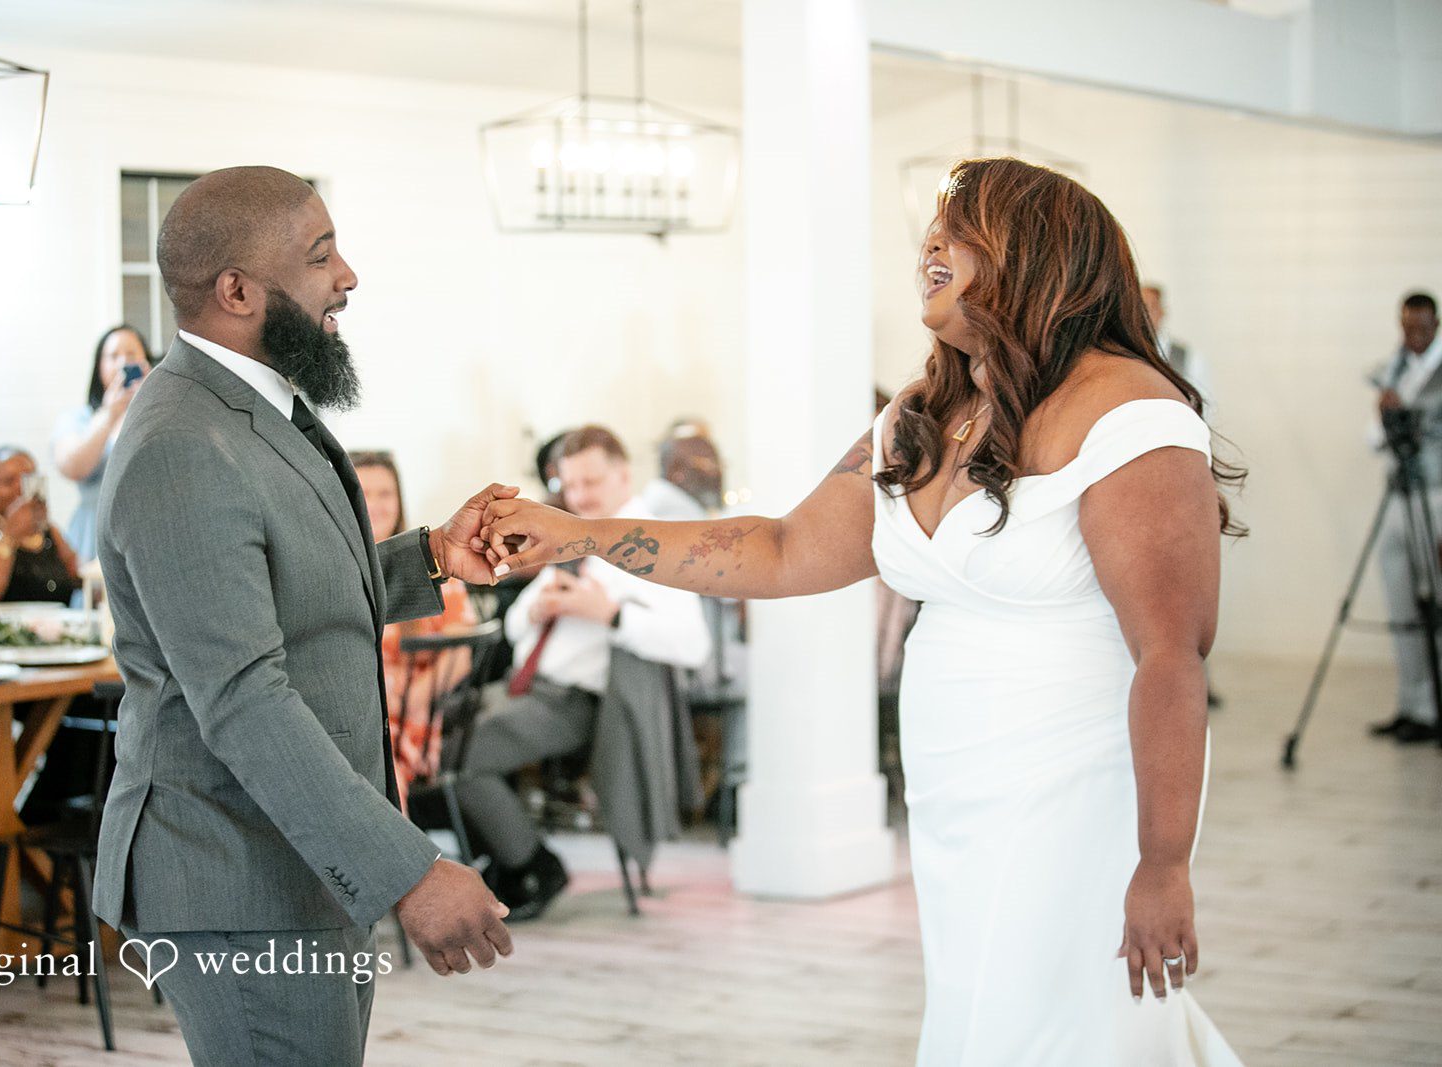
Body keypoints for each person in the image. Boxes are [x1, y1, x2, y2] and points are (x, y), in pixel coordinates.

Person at [479, 157, 1244, 1065]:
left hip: (1076, 799)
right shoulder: (924, 415)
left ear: (1038, 253)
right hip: (958, 804)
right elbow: (780, 548)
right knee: (983, 1021)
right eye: (931, 229)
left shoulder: (1129, 414)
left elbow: (1172, 655)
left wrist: (1162, 863)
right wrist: (581, 534)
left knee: (1058, 1029)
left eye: (959, 229)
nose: (930, 244)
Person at [92, 165, 514, 1066]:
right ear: (237, 290)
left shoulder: (253, 404)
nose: (348, 276)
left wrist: (433, 556)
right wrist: (409, 867)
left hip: (291, 863)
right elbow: (245, 697)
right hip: (236, 878)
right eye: (321, 256)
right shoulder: (179, 446)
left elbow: (292, 596)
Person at [456, 425, 710, 921]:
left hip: (586, 706)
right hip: (529, 688)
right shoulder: (576, 538)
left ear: (623, 476)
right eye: (570, 486)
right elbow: (512, 624)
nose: (578, 497)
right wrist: (535, 611)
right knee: (431, 733)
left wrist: (610, 615)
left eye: (590, 483)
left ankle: (533, 865)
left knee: (462, 753)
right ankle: (497, 858)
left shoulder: (656, 542)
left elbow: (694, 646)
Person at [351, 449, 478, 807]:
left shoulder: (431, 567)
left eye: (385, 494)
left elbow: (461, 652)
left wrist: (413, 698)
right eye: (364, 493)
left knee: (373, 761)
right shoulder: (335, 571)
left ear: (400, 499)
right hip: (348, 714)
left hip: (405, 717)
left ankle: (397, 859)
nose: (375, 504)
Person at [1369, 290, 1442, 744]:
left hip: (1437, 494)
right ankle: (1413, 703)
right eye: (1406, 326)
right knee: (1400, 601)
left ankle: (1436, 706)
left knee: (1435, 600)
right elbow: (1372, 436)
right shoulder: (1392, 368)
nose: (1412, 335)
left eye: (1421, 326)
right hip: (1398, 491)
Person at [52, 324, 153, 561]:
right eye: (113, 356)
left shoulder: (157, 416)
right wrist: (109, 414)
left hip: (146, 532)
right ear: (99, 366)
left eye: (131, 356)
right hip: (93, 533)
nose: (122, 364)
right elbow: (72, 466)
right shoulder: (78, 419)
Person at [0, 447, 80, 604]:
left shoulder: (50, 533)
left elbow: (82, 576)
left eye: (27, 479)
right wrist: (10, 535)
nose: (20, 489)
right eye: (8, 481)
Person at [1142, 283, 1215, 414]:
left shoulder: (1189, 357)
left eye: (1149, 308)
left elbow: (1205, 405)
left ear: (1162, 311)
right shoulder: (1124, 353)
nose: (1144, 315)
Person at [641, 425, 724, 520]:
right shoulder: (672, 519)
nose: (714, 473)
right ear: (677, 473)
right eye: (704, 464)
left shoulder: (692, 511)